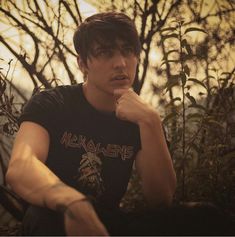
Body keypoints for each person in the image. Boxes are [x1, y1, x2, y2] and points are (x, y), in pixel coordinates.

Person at [6, 12, 232, 236]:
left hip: (111, 222)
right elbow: (21, 167)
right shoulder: (53, 103)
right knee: (44, 218)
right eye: (105, 53)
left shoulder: (141, 117)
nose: (121, 63)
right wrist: (72, 202)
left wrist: (150, 121)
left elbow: (161, 198)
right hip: (55, 215)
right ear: (83, 63)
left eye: (127, 51)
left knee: (205, 217)